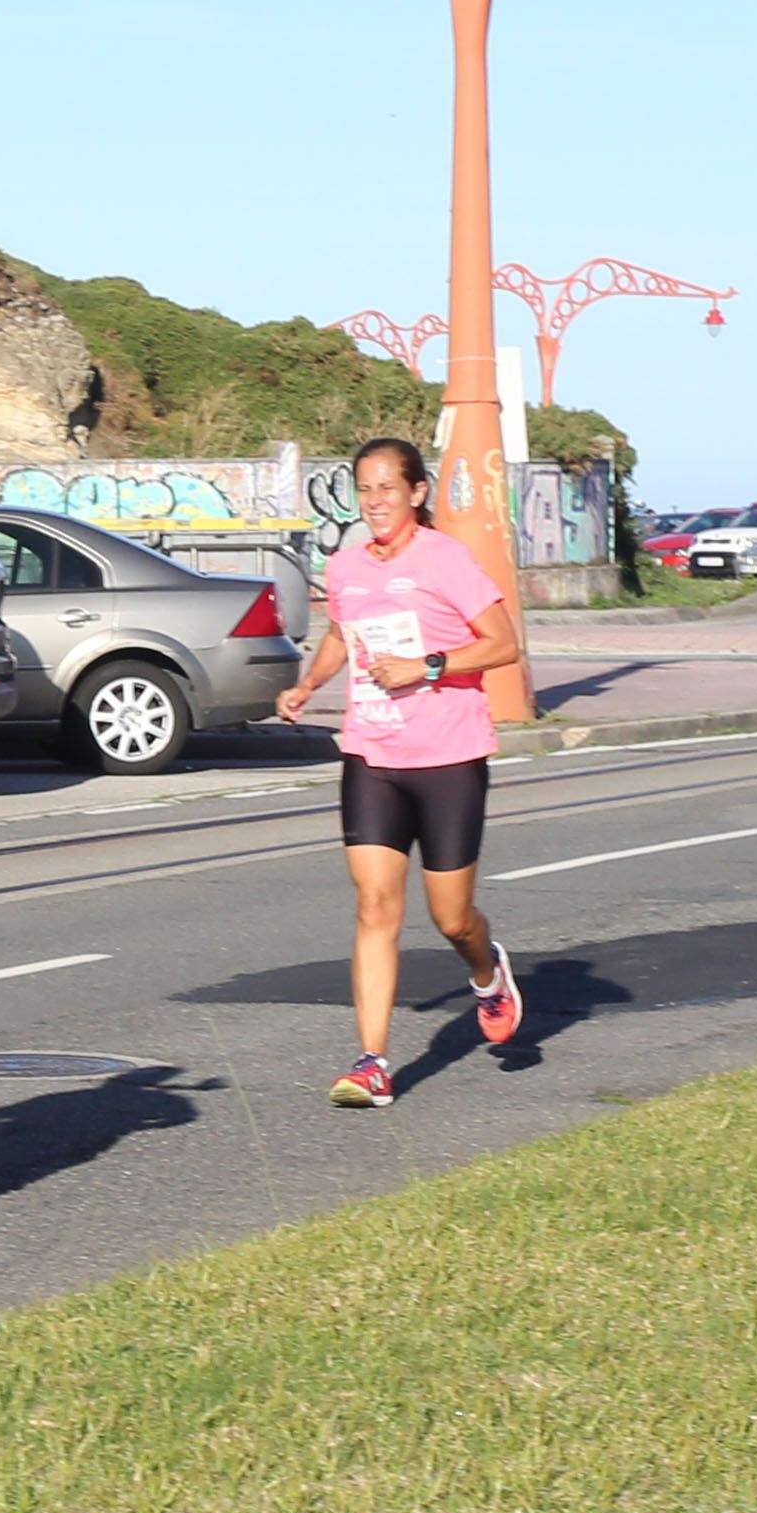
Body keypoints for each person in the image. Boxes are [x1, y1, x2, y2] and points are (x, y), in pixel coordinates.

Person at [276, 436, 526, 1106]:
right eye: (364, 488)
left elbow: (503, 642)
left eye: (388, 488)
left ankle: (486, 972)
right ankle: (371, 1063)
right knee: (373, 906)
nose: (375, 501)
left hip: (446, 757)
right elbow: (339, 634)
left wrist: (428, 666)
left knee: (450, 918)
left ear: (416, 493)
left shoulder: (445, 559)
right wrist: (307, 686)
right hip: (371, 755)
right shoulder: (348, 564)